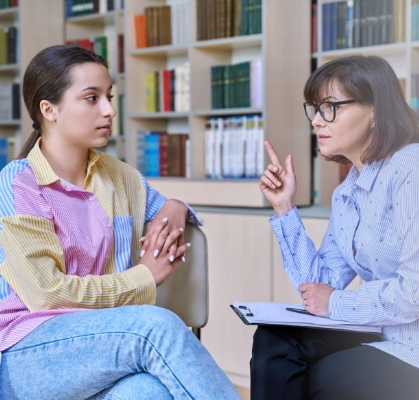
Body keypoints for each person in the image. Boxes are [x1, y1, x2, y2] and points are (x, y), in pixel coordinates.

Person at [252, 55, 419, 400]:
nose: (316, 121)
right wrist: (284, 207)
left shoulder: (415, 166)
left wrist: (339, 303)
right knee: (276, 337)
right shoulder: (347, 193)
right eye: (314, 108)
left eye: (330, 107)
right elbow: (320, 288)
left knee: (323, 377)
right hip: (393, 338)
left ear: (375, 110)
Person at [0, 45, 239, 399]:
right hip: (29, 353)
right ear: (49, 110)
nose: (110, 110)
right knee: (154, 325)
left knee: (146, 391)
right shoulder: (19, 182)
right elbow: (47, 296)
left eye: (109, 97)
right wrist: (143, 276)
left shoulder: (120, 176)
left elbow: (166, 211)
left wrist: (174, 205)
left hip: (102, 346)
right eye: (92, 98)